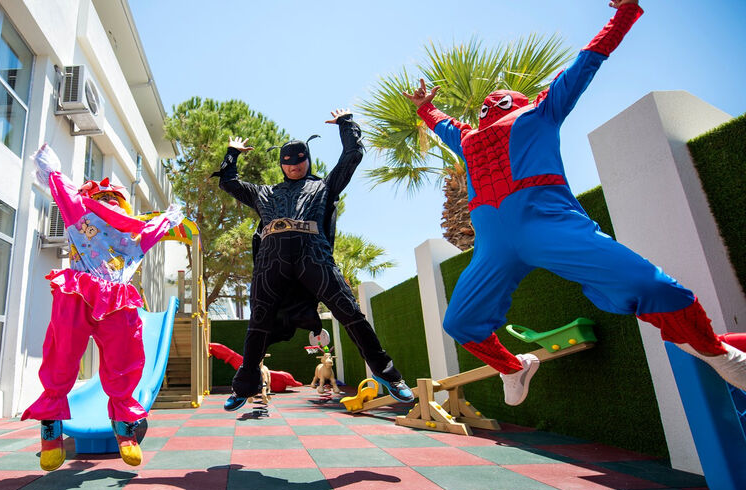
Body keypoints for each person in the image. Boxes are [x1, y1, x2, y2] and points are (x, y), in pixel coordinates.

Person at [404, 0, 746, 405]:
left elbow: (586, 63)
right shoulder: (469, 140)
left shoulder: (540, 111)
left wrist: (623, 15)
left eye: (498, 102)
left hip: (548, 224)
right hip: (494, 244)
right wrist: (425, 108)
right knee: (461, 321)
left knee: (650, 285)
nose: (490, 105)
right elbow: (445, 125)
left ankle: (717, 351)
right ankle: (515, 367)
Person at [216, 109, 416, 411]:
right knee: (258, 322)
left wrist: (347, 124)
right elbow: (228, 182)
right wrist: (232, 153)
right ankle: (245, 386)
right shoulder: (264, 193)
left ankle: (389, 374)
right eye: (288, 161)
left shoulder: (323, 186)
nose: (294, 166)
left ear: (307, 159)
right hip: (272, 260)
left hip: (314, 254)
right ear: (281, 164)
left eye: (299, 160)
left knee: (349, 311)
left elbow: (352, 156)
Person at [22, 144, 182, 469]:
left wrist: (168, 218)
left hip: (118, 300)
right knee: (62, 353)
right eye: (102, 199)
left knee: (125, 359)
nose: (109, 204)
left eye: (115, 200)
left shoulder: (137, 233)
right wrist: (53, 171)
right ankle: (51, 427)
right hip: (79, 291)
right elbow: (64, 191)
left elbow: (155, 228)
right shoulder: (79, 215)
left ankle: (124, 428)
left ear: (124, 206)